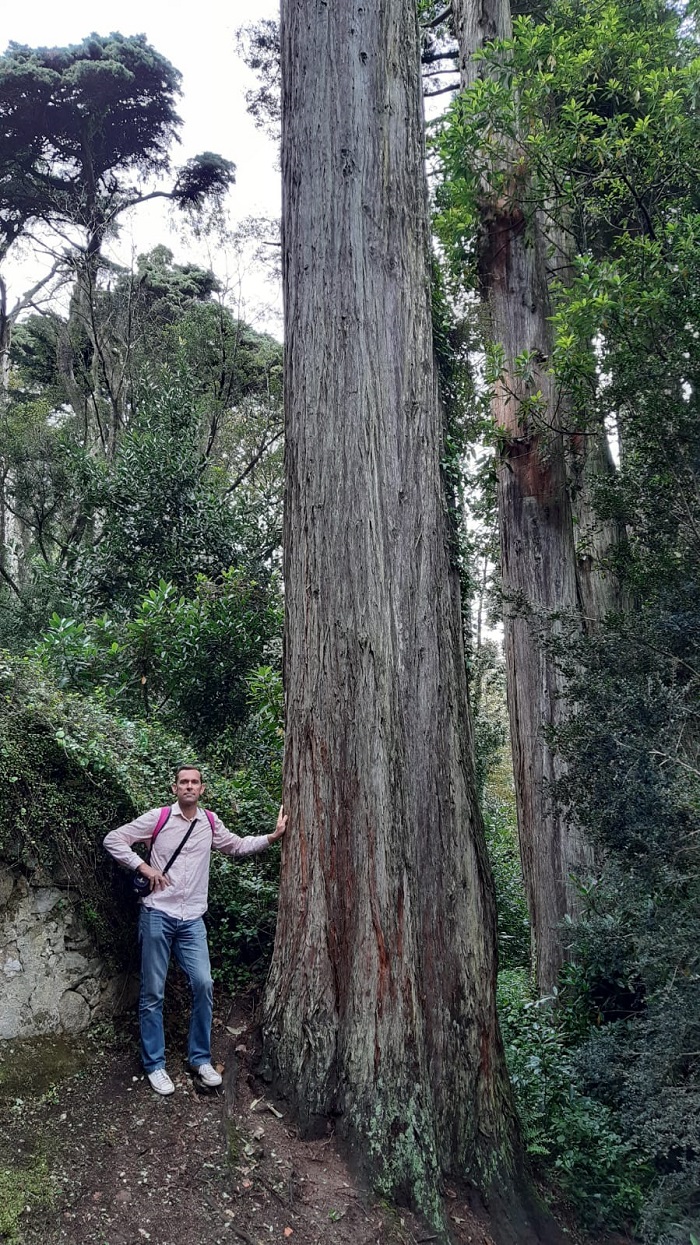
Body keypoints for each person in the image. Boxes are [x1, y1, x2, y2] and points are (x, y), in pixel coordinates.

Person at [104, 764, 287, 1096]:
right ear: (175, 788)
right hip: (157, 913)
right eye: (183, 782)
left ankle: (200, 1058)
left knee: (203, 984)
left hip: (192, 921)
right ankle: (155, 1065)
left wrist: (272, 837)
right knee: (152, 992)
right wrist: (145, 868)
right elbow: (113, 839)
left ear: (202, 789)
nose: (189, 786)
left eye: (195, 782)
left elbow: (237, 846)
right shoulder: (158, 819)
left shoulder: (210, 823)